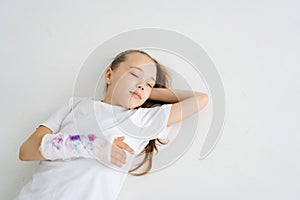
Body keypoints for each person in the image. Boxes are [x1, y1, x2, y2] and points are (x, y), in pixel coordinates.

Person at [16, 49, 209, 200]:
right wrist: (91, 144)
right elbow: (27, 151)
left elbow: (200, 99)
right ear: (109, 75)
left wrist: (151, 92)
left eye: (149, 83)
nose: (142, 85)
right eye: (135, 75)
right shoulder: (75, 104)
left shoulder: (141, 120)